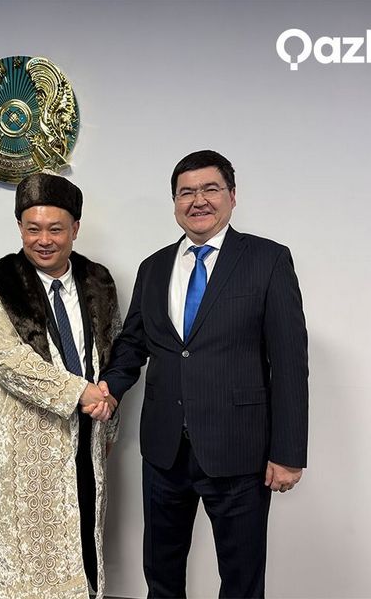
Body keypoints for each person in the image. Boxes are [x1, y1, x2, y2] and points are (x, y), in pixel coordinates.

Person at [100, 150, 308, 598]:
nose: (198, 200)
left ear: (232, 196)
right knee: (161, 574)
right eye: (186, 192)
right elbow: (134, 343)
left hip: (239, 453)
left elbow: (290, 362)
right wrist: (110, 388)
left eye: (210, 189)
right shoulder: (154, 267)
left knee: (241, 580)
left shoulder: (268, 260)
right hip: (164, 452)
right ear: (175, 202)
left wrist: (288, 452)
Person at [0, 172, 120, 599]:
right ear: (20, 228)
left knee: (81, 543)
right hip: (23, 444)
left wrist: (107, 424)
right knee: (25, 556)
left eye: (55, 229)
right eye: (32, 228)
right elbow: (5, 359)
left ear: (75, 228)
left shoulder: (98, 282)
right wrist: (79, 392)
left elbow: (112, 352)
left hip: (86, 437)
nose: (43, 240)